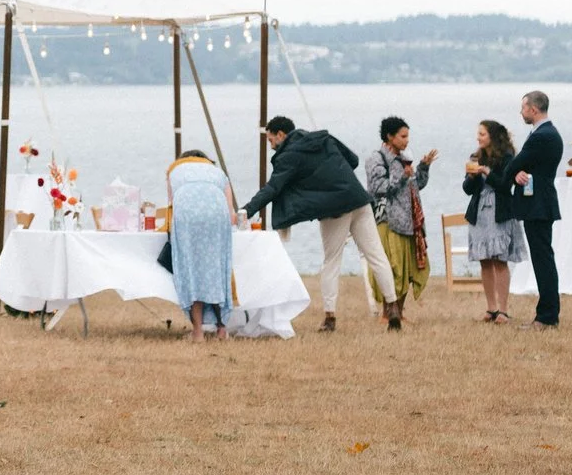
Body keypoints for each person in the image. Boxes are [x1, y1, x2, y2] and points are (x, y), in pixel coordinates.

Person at [241, 116, 396, 333]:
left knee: (331, 261)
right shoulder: (324, 138)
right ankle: (393, 308)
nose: (271, 145)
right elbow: (352, 160)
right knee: (377, 256)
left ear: (281, 135)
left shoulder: (288, 156)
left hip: (334, 209)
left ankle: (330, 317)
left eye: (270, 139)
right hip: (358, 199)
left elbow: (273, 188)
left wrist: (246, 210)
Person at [362, 116, 437, 330]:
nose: (407, 140)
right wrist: (403, 177)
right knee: (392, 267)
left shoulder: (404, 159)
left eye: (407, 136)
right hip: (389, 220)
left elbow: (416, 185)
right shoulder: (376, 159)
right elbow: (378, 188)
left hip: (409, 221)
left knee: (407, 268)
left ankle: (399, 313)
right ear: (390, 136)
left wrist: (424, 167)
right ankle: (388, 313)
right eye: (403, 136)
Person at [503, 90, 563, 328]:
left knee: (542, 260)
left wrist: (511, 171)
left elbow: (517, 162)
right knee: (543, 258)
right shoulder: (547, 133)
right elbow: (527, 165)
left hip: (538, 205)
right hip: (540, 203)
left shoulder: (542, 136)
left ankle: (547, 315)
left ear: (534, 109)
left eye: (523, 108)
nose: (521, 112)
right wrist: (519, 171)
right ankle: (548, 313)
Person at [165, 146, 235, 340]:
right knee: (216, 270)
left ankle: (198, 332)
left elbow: (171, 204)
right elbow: (231, 213)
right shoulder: (217, 172)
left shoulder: (174, 171)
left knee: (192, 271)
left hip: (187, 216)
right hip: (217, 214)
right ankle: (221, 329)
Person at [464, 120, 525, 323]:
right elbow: (467, 190)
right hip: (479, 212)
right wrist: (472, 177)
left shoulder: (507, 157)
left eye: (482, 134)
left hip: (499, 211)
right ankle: (491, 308)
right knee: (484, 260)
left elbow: (504, 186)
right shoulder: (476, 157)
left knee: (500, 260)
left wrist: (487, 173)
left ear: (492, 136)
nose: (478, 138)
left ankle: (503, 310)